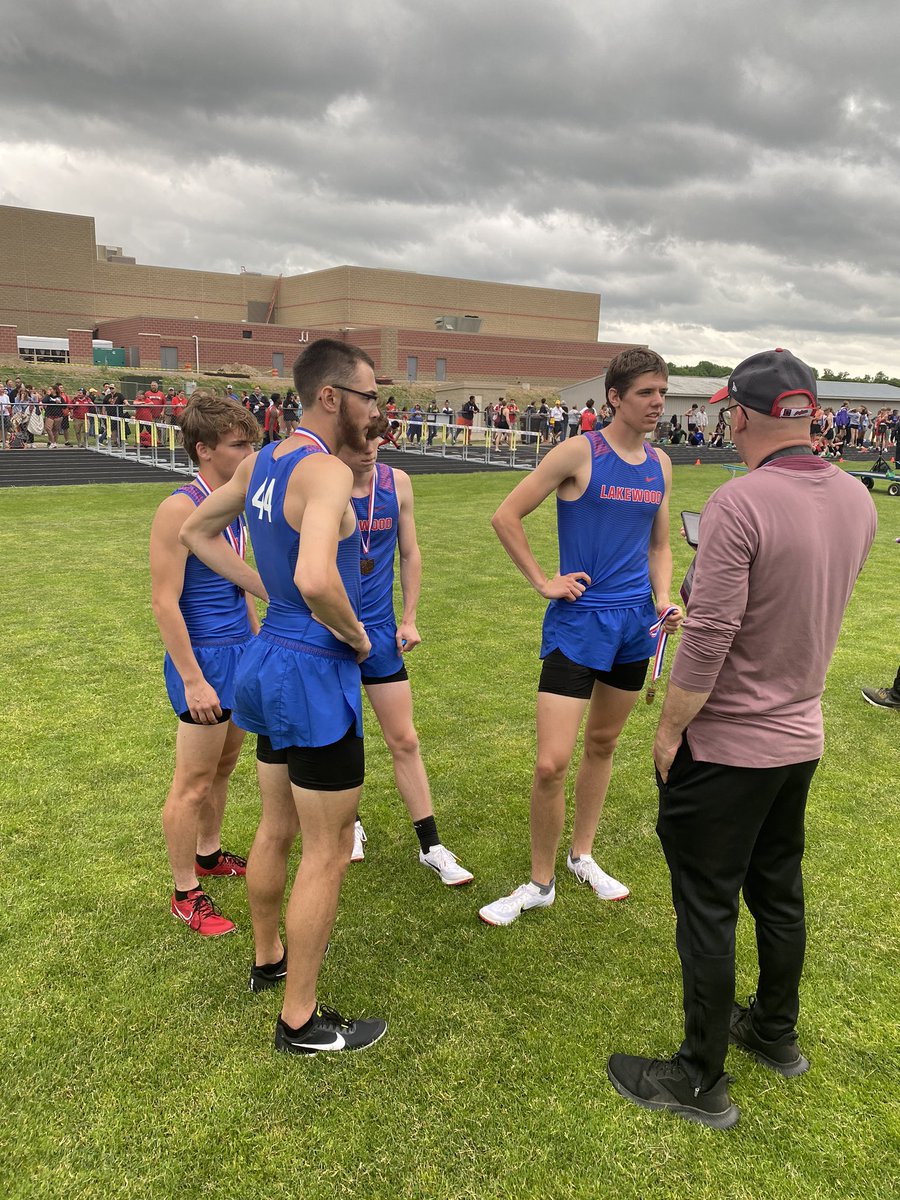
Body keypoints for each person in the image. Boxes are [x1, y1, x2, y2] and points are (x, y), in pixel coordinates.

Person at [607, 349, 877, 1130]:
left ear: (744, 416)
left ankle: (698, 1076)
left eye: (729, 413)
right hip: (799, 734)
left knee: (708, 905)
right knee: (779, 889)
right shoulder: (856, 498)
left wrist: (668, 729)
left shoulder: (740, 501)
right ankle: (774, 1030)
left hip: (730, 742)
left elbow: (715, 631)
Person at [180, 338, 386, 1056]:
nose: (376, 408)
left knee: (275, 829)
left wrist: (262, 590)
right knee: (325, 851)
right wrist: (357, 637)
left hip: (268, 662)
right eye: (369, 395)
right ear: (331, 397)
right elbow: (319, 578)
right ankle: (300, 1020)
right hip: (311, 668)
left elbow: (196, 528)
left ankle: (269, 961)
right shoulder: (324, 468)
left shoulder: (266, 460)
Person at [479, 348, 681, 927]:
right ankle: (539, 881)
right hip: (578, 623)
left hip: (633, 627)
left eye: (662, 393)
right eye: (646, 393)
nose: (657, 403)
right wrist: (543, 579)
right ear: (615, 397)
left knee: (603, 745)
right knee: (551, 763)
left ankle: (582, 856)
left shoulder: (661, 465)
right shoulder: (578, 452)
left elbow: (659, 544)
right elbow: (505, 515)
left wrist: (663, 598)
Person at [338, 420, 474, 884]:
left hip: (379, 632)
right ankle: (349, 824)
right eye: (361, 441)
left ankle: (431, 844)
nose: (372, 448)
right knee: (341, 738)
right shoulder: (321, 484)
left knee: (405, 739)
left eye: (377, 439)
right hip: (330, 632)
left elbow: (410, 553)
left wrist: (409, 617)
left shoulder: (397, 483)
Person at [150, 393, 262, 937]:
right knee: (192, 781)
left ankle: (209, 854)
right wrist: (193, 678)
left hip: (241, 651)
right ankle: (184, 892)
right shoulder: (179, 507)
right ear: (204, 449)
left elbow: (240, 579)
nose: (250, 452)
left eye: (252, 441)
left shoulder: (233, 502)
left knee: (223, 767)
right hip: (205, 659)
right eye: (240, 444)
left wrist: (258, 641)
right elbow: (164, 601)